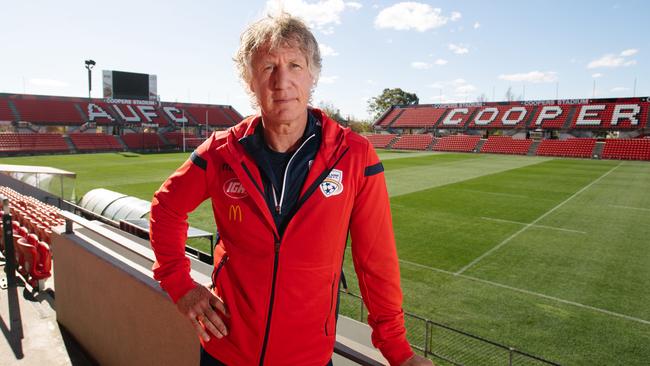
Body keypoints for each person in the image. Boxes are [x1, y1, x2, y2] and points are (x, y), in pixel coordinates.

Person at [149, 12, 433, 366]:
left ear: (313, 74)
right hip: (225, 353)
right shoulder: (221, 151)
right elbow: (166, 208)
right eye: (268, 68)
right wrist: (180, 286)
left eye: (295, 65)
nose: (282, 82)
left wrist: (399, 352)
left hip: (309, 358)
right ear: (250, 81)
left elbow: (376, 261)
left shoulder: (356, 157)